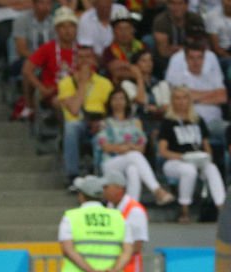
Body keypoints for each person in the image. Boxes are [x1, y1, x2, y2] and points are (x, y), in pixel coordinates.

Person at [95, 88, 176, 204]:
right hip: (110, 162)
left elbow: (141, 148)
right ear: (110, 102)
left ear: (127, 102)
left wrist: (126, 148)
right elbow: (105, 147)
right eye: (115, 99)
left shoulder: (135, 122)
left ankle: (132, 205)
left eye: (121, 98)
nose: (118, 102)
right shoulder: (105, 123)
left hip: (131, 158)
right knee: (134, 155)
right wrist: (125, 148)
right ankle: (157, 190)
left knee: (133, 169)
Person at [158, 86, 226, 223]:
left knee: (211, 168)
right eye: (177, 98)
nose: (181, 101)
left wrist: (206, 158)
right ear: (172, 101)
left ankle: (223, 209)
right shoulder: (168, 122)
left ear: (189, 100)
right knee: (188, 170)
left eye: (184, 98)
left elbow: (206, 147)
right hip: (175, 162)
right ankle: (184, 210)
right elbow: (163, 151)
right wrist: (182, 157)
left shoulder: (198, 120)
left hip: (198, 160)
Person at [57, 44, 113, 187]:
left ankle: (100, 176)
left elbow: (112, 111)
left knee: (103, 134)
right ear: (75, 60)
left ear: (94, 60)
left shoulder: (105, 83)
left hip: (99, 122)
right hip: (78, 125)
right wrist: (82, 83)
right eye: (80, 57)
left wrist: (101, 123)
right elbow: (74, 110)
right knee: (70, 127)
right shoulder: (65, 83)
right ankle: (73, 176)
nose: (84, 61)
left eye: (87, 57)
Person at [165, 40, 228, 144]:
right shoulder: (179, 78)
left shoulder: (212, 76)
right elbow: (181, 100)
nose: (196, 61)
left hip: (214, 122)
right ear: (186, 59)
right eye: (192, 58)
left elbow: (223, 97)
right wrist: (213, 93)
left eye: (199, 57)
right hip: (191, 123)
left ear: (204, 59)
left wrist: (193, 98)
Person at [152, 0, 205, 76]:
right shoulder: (160, 21)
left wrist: (175, 48)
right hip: (166, 61)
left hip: (193, 58)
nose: (176, 7)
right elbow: (164, 52)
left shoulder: (196, 20)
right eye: (173, 3)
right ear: (168, 5)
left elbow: (201, 46)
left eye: (180, 4)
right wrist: (187, 48)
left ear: (186, 6)